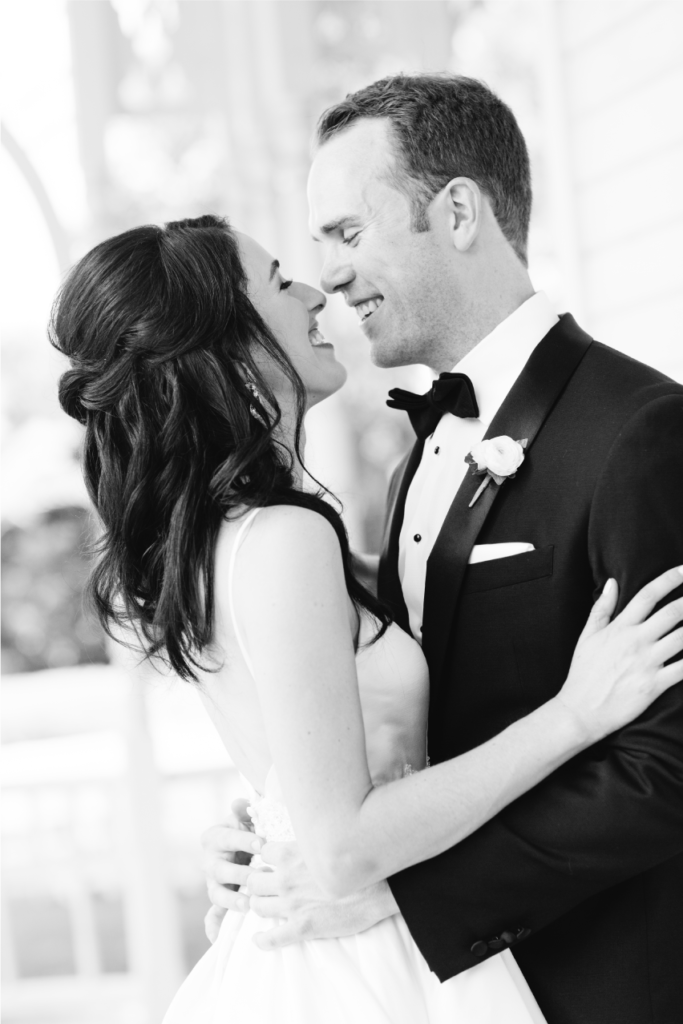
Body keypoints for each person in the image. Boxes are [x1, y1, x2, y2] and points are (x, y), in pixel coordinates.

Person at [51, 205, 683, 1023]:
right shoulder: (282, 538)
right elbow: (343, 843)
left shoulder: (226, 534)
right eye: (280, 281)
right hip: (364, 962)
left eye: (346, 236)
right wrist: (572, 715)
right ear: (229, 347)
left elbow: (309, 771)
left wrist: (264, 836)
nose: (318, 290)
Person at [200, 76, 683, 1024]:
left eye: (347, 233)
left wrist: (406, 891)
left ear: (456, 210)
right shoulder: (414, 462)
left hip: (598, 979)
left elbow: (668, 763)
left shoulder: (641, 432)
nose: (329, 277)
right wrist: (285, 822)